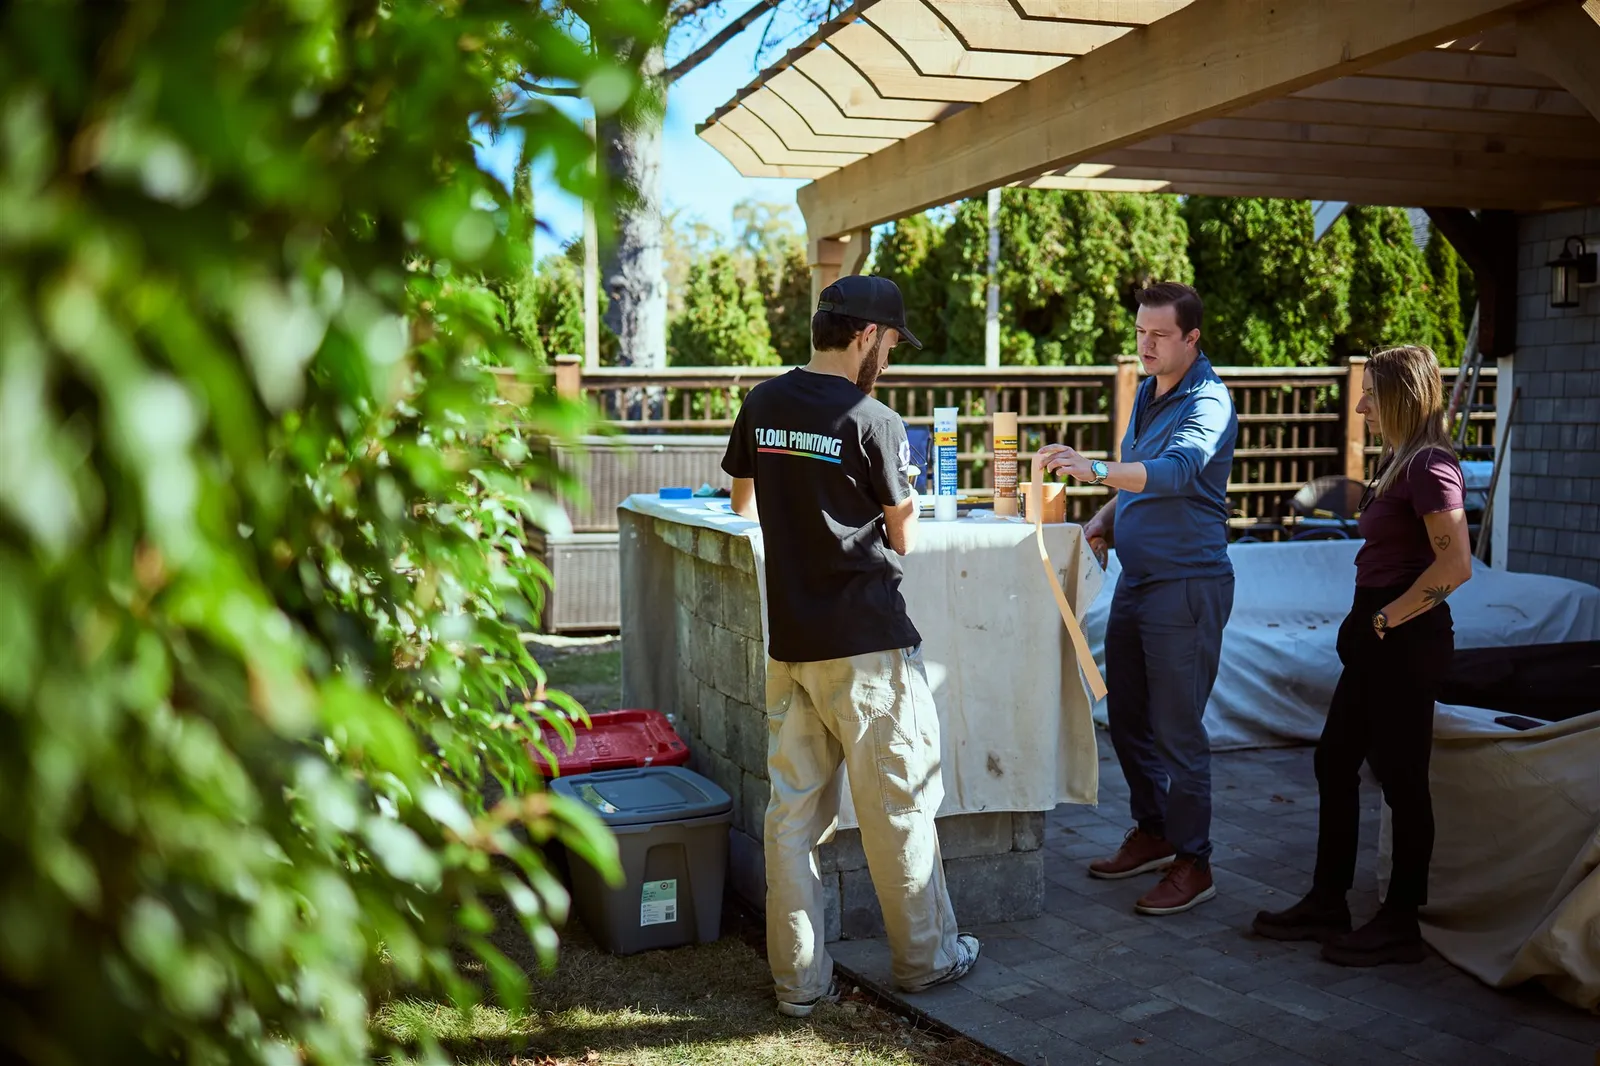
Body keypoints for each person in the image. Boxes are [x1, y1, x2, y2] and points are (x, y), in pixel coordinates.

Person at [722, 274, 980, 1018]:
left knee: (792, 822)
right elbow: (904, 532)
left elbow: (744, 501)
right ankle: (925, 962)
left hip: (793, 645)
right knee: (898, 809)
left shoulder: (763, 402)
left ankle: (798, 985)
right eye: (892, 344)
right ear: (865, 335)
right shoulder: (874, 419)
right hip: (866, 645)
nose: (891, 360)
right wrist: (904, 499)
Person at [1253, 345, 1471, 966]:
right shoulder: (1400, 461)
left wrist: (1384, 619)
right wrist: (1369, 622)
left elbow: (1456, 566)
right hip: (1377, 630)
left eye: (1372, 392)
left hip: (1405, 637)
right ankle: (1329, 899)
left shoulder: (1431, 467)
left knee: (1403, 781)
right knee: (1334, 761)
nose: (1361, 403)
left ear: (1404, 395)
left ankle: (1401, 921)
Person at [1038, 282, 1237, 916]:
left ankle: (1194, 862)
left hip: (1187, 586)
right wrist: (1104, 521)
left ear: (1192, 338)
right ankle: (1153, 831)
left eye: (1159, 335)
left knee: (1178, 731)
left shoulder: (1209, 401)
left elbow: (1177, 473)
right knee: (1125, 716)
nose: (1145, 345)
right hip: (1138, 581)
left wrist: (1092, 469)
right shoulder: (1149, 391)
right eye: (1140, 333)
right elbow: (1138, 481)